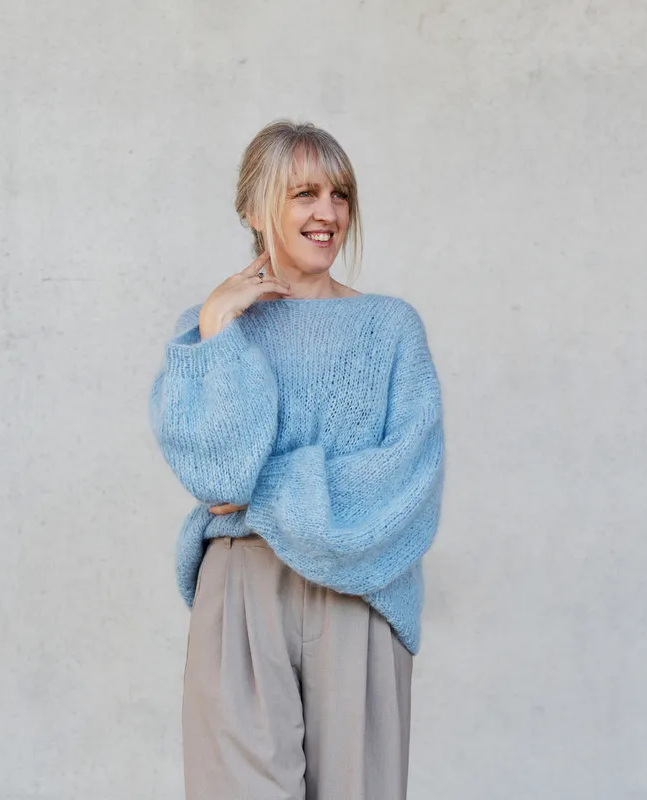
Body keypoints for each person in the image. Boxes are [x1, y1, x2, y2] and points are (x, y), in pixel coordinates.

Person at [148, 119, 446, 800]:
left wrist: (262, 491)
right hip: (243, 588)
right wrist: (221, 327)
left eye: (340, 195)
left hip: (360, 591)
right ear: (255, 209)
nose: (328, 213)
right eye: (304, 193)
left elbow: (403, 490)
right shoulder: (205, 331)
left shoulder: (390, 329)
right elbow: (216, 478)